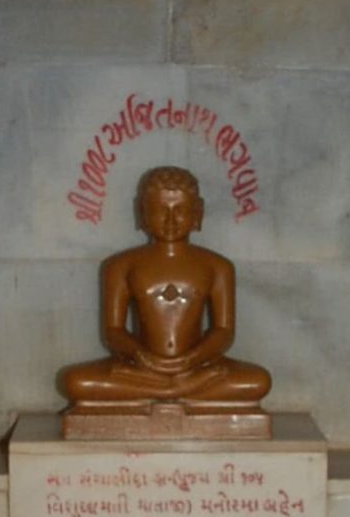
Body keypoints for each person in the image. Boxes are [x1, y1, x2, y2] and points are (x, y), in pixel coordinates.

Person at [61, 165, 270, 413]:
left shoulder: (218, 266)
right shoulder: (120, 265)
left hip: (197, 368)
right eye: (160, 210)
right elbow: (113, 331)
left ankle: (162, 393)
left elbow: (224, 332)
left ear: (198, 212)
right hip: (141, 369)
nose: (170, 220)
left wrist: (192, 359)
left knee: (258, 380)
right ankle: (173, 392)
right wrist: (140, 356)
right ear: (142, 212)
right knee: (75, 381)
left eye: (180, 210)